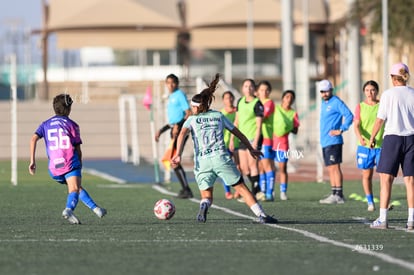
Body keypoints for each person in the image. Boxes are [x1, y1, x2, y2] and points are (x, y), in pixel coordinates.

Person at [172, 73, 278, 224]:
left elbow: (182, 134)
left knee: (207, 196)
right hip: (221, 158)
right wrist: (251, 148)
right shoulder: (218, 116)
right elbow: (238, 132)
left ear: (199, 106)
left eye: (193, 106)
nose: (191, 109)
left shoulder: (192, 120)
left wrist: (178, 154)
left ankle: (203, 206)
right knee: (241, 188)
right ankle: (261, 215)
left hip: (202, 162)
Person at [29, 94, 106, 224]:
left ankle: (96, 209)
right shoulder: (72, 125)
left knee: (75, 187)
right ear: (69, 108)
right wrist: (79, 163)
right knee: (74, 188)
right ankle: (68, 209)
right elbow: (77, 148)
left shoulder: (45, 124)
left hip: (54, 168)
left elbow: (33, 139)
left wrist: (32, 161)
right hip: (69, 163)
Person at [369, 62, 414, 230]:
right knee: (410, 181)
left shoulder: (388, 95)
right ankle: (411, 219)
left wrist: (372, 137)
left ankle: (383, 219)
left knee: (386, 180)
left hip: (393, 139)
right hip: (411, 139)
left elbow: (380, 119)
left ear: (393, 78)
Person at [155, 73, 193, 199]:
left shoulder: (179, 95)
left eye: (173, 82)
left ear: (177, 84)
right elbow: (173, 121)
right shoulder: (171, 97)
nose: (170, 85)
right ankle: (185, 189)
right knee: (173, 161)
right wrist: (161, 130)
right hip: (174, 130)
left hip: (181, 131)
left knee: (174, 160)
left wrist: (179, 124)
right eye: (168, 83)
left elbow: (188, 113)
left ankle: (186, 189)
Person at [318, 79, 353, 204]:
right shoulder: (324, 103)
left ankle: (339, 193)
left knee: (335, 167)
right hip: (326, 141)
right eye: (322, 92)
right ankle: (334, 192)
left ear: (331, 90)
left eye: (326, 91)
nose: (324, 94)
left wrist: (341, 129)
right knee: (330, 168)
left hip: (334, 141)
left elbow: (349, 115)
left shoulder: (336, 102)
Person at [353, 80, 384, 212]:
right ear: (364, 92)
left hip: (381, 145)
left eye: (372, 90)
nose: (370, 93)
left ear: (377, 91)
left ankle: (384, 201)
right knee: (367, 175)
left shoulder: (382, 105)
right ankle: (370, 202)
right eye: (367, 90)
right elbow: (356, 125)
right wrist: (360, 137)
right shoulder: (360, 106)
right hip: (364, 146)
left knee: (384, 175)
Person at [231, 79, 263, 198]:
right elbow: (237, 121)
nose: (248, 88)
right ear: (242, 88)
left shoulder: (257, 103)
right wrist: (231, 139)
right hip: (241, 139)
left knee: (252, 165)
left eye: (250, 86)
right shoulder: (240, 101)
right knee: (244, 169)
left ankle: (254, 193)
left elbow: (259, 125)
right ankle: (257, 189)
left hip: (252, 138)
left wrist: (255, 141)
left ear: (254, 89)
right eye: (245, 86)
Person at [273, 90, 300, 201]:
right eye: (287, 96)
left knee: (282, 168)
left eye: (291, 97)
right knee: (268, 168)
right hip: (270, 141)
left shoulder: (293, 113)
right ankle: (270, 190)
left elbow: (295, 130)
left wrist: (287, 126)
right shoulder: (276, 109)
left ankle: (283, 192)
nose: (289, 99)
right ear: (283, 98)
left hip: (282, 143)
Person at [255, 81, 276, 201]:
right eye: (262, 90)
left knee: (267, 165)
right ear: (257, 91)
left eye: (267, 90)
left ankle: (269, 193)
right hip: (257, 138)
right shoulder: (256, 103)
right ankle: (263, 191)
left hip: (266, 138)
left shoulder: (269, 103)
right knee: (260, 166)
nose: (264, 92)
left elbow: (262, 116)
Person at [220, 91, 240, 199]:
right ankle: (227, 191)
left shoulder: (238, 111)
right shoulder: (221, 113)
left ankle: (238, 190)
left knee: (238, 167)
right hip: (225, 144)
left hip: (236, 143)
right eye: (227, 98)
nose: (230, 100)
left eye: (231, 97)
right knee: (225, 168)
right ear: (223, 100)